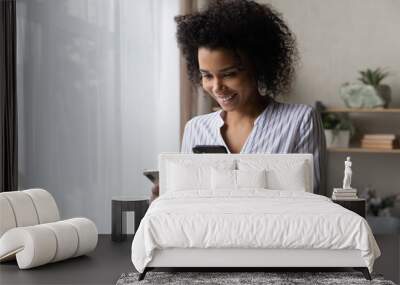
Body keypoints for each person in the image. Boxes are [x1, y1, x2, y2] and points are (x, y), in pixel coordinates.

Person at [151, 0, 326, 202]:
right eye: (207, 76)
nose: (216, 87)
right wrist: (166, 198)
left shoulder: (300, 121)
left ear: (258, 66)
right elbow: (190, 204)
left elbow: (314, 201)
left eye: (229, 74)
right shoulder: (196, 129)